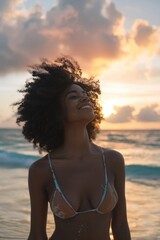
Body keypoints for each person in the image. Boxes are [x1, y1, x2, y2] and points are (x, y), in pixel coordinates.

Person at [14, 56, 131, 240]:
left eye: (84, 94)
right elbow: (37, 234)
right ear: (56, 112)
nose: (83, 97)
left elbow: (121, 225)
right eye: (73, 96)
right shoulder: (42, 171)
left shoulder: (113, 160)